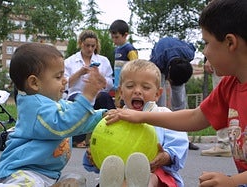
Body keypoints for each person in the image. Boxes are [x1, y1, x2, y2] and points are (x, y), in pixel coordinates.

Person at [106, 0, 247, 186]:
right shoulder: (229, 85)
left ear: (230, 42)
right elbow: (196, 117)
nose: (205, 51)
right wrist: (141, 117)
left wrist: (232, 181)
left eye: (206, 43)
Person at [0, 43, 107, 187]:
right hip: (22, 173)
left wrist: (104, 116)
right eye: (58, 77)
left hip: (47, 176)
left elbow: (79, 120)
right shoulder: (36, 107)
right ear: (34, 83)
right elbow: (63, 124)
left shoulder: (56, 103)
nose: (65, 80)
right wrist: (87, 96)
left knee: (76, 180)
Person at [84, 59, 189, 187]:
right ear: (121, 93)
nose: (137, 91)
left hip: (156, 173)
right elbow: (102, 143)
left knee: (150, 177)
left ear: (157, 94)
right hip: (121, 174)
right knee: (117, 177)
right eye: (130, 86)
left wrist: (166, 156)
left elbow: (179, 142)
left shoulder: (164, 115)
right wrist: (94, 156)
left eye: (145, 87)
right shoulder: (115, 117)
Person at [64, 30, 115, 148]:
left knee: (105, 97)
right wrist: (80, 73)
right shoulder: (70, 61)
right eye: (87, 45)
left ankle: (111, 133)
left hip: (97, 96)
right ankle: (77, 139)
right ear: (81, 44)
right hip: (77, 94)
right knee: (74, 101)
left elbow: (110, 85)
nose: (90, 49)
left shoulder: (103, 61)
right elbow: (65, 84)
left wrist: (99, 77)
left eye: (93, 46)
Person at [149, 36, 199, 150]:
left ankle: (182, 138)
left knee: (180, 102)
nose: (171, 84)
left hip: (178, 63)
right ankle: (160, 137)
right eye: (171, 81)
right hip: (160, 65)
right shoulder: (157, 60)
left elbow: (192, 46)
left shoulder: (189, 53)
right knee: (158, 102)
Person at [201, 59, 231, 157]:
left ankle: (224, 143)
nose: (205, 50)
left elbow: (195, 118)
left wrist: (211, 59)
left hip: (226, 59)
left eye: (207, 43)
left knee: (222, 100)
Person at [109, 19, 138, 108]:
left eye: (116, 37)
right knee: (118, 108)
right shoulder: (117, 49)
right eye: (112, 37)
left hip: (127, 86)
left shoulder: (129, 49)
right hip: (118, 86)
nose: (114, 40)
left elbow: (135, 68)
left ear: (125, 35)